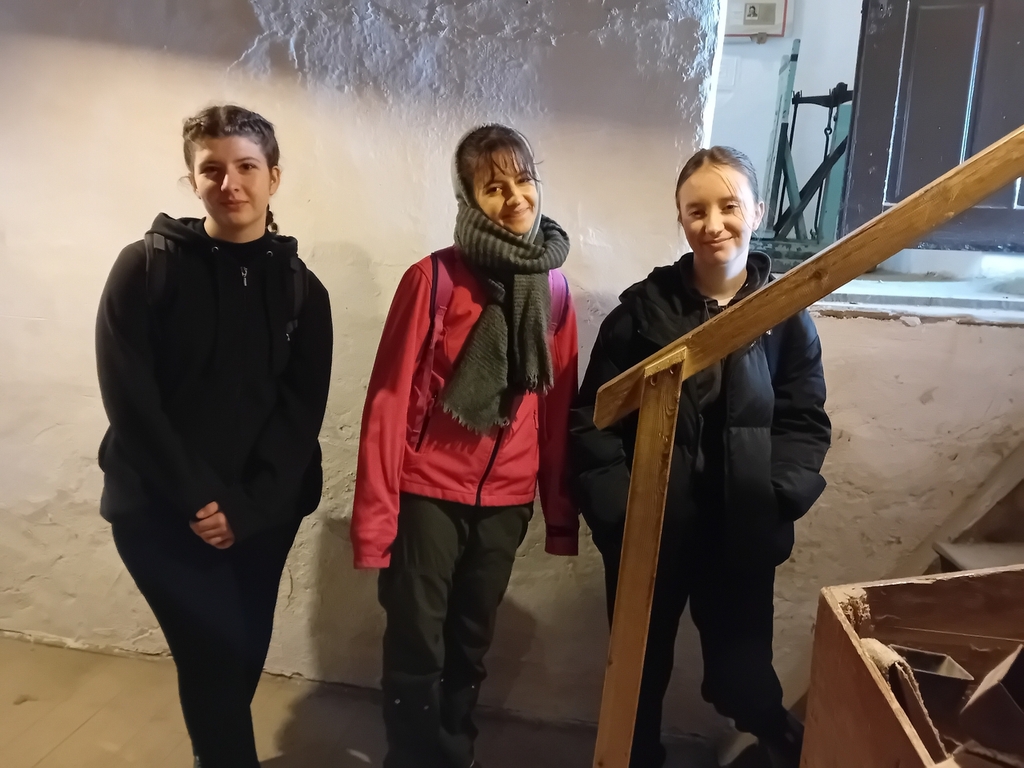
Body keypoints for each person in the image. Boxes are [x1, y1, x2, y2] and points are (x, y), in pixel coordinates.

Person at [568, 146, 830, 768]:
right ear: (681, 218)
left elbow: (803, 422)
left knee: (742, 679)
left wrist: (774, 500)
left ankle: (786, 743)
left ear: (757, 212)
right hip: (649, 533)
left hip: (739, 532)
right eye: (697, 210)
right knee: (635, 681)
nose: (714, 224)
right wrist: (620, 514)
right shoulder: (641, 314)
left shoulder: (783, 318)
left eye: (729, 206)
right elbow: (592, 422)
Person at [95, 105, 333, 768]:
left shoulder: (303, 291)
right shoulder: (146, 268)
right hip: (159, 512)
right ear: (192, 179)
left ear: (273, 177)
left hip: (263, 513)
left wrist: (246, 509)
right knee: (216, 654)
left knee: (241, 652)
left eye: (247, 166)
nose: (231, 183)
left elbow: (300, 415)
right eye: (212, 169)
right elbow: (131, 399)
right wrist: (200, 500)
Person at [352, 124, 579, 768]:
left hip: (507, 500)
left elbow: (556, 408)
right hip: (428, 492)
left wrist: (559, 515)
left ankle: (455, 754)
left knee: (470, 645)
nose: (514, 198)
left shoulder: (554, 288)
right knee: (416, 643)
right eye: (493, 187)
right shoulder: (433, 279)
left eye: (523, 180)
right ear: (468, 198)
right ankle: (410, 757)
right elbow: (388, 403)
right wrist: (376, 522)